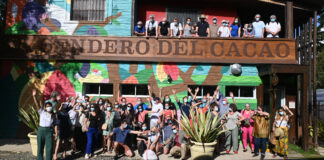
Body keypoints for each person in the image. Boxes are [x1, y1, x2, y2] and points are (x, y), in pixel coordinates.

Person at [32, 89, 58, 160]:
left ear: (52, 107)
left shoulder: (54, 115)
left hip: (49, 131)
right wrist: (34, 96)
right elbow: (37, 104)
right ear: (45, 107)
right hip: (41, 130)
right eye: (47, 106)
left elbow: (55, 124)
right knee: (40, 147)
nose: (48, 107)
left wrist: (56, 133)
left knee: (49, 148)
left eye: (49, 106)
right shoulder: (42, 112)